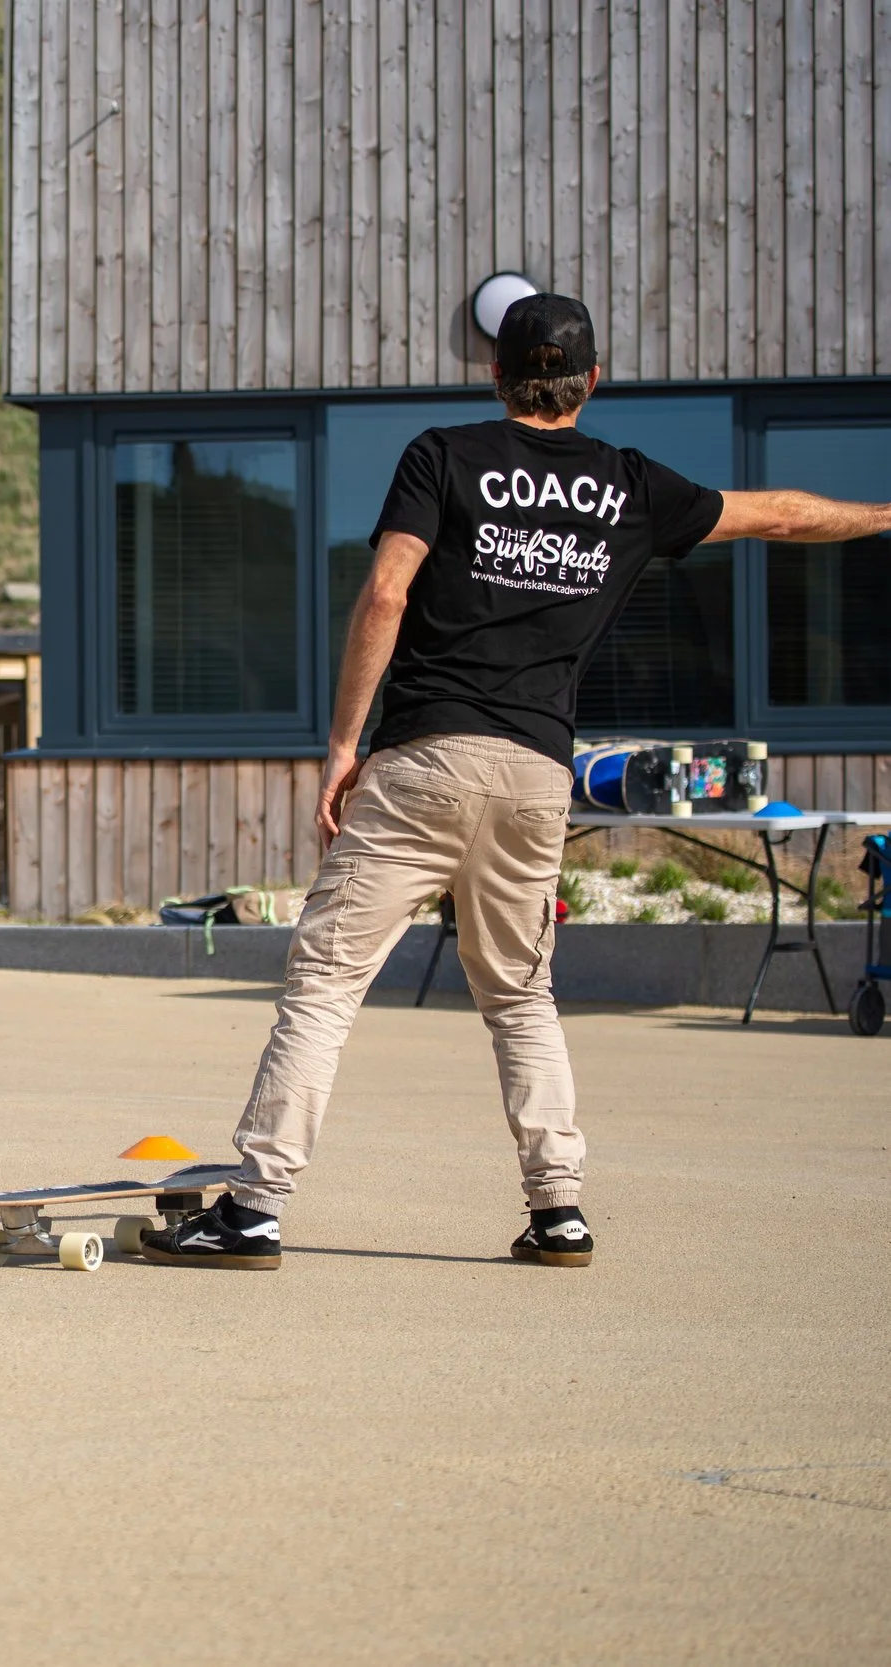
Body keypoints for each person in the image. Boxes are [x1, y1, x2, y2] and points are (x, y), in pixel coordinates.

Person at [138, 294, 891, 1273]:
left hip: (425, 758)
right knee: (519, 994)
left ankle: (254, 1209)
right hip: (537, 772)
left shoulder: (443, 455)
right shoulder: (628, 485)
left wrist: (339, 744)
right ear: (591, 380)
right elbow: (781, 516)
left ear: (495, 374)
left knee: (324, 985)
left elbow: (385, 591)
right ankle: (559, 1211)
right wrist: (881, 513)